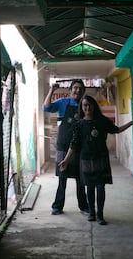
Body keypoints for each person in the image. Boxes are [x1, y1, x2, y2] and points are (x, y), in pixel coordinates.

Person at [59, 95, 133, 225]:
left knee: (100, 187)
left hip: (101, 158)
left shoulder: (102, 121)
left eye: (89, 104)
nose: (87, 107)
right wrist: (66, 160)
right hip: (85, 160)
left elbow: (117, 130)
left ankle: (100, 215)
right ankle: (92, 213)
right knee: (90, 188)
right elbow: (73, 144)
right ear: (82, 107)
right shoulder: (78, 124)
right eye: (84, 105)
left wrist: (131, 122)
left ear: (94, 106)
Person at [42, 79, 89, 215]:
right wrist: (52, 90)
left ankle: (84, 207)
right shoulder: (63, 102)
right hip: (63, 146)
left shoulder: (85, 105)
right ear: (70, 90)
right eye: (75, 88)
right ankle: (58, 206)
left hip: (80, 146)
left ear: (83, 91)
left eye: (80, 88)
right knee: (62, 177)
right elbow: (46, 107)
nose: (78, 90)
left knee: (81, 178)